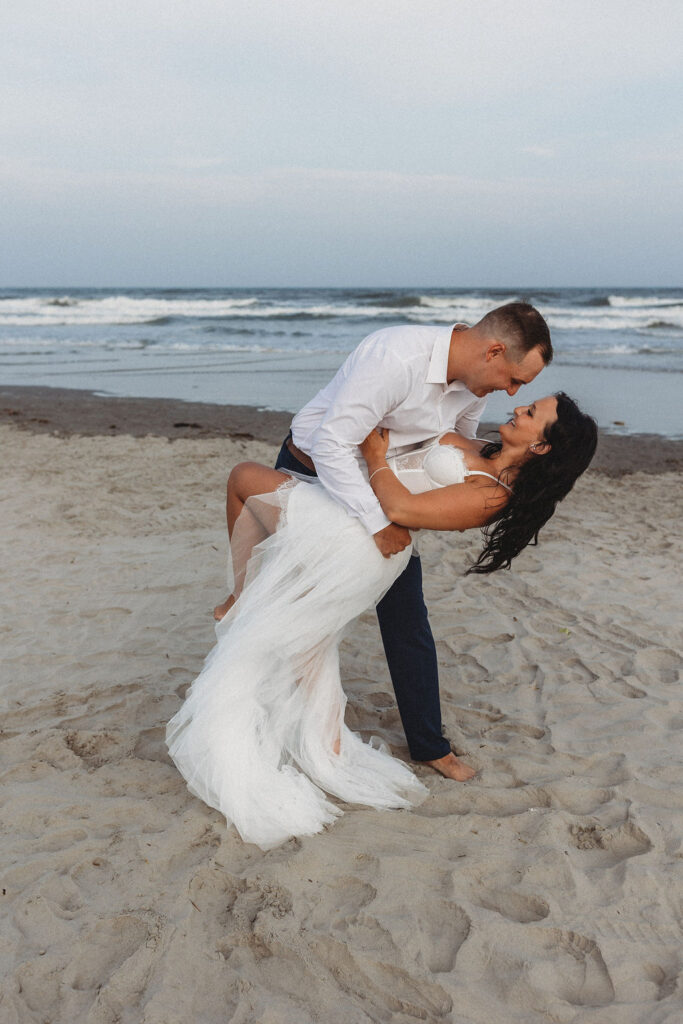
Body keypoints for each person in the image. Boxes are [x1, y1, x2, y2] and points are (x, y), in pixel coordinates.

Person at [166, 390, 598, 850]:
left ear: (542, 446)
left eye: (531, 413)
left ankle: (240, 598)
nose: (518, 408)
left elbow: (402, 511)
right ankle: (327, 747)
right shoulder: (479, 449)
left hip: (365, 542)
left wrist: (374, 456)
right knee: (309, 642)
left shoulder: (492, 495)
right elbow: (430, 429)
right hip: (353, 521)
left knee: (245, 478)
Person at [215, 302, 552, 781]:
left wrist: (415, 502)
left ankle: (428, 745)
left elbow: (455, 439)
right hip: (312, 470)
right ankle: (258, 695)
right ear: (494, 351)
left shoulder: (476, 383)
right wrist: (381, 520)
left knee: (406, 617)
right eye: (515, 379)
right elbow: (332, 443)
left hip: (379, 492)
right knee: (286, 605)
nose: (512, 392)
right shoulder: (395, 357)